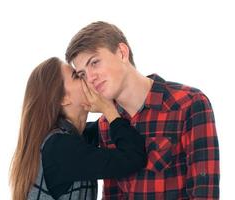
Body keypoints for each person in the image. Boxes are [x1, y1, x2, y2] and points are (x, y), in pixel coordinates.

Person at [65, 21, 220, 199]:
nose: (91, 78)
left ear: (122, 53)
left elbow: (204, 194)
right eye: (83, 74)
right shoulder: (107, 123)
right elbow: (113, 195)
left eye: (95, 63)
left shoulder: (188, 104)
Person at [9, 57, 147, 200]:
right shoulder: (60, 148)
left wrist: (112, 100)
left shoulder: (73, 137)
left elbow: (114, 126)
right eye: (78, 76)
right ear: (63, 99)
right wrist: (108, 109)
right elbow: (133, 157)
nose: (88, 79)